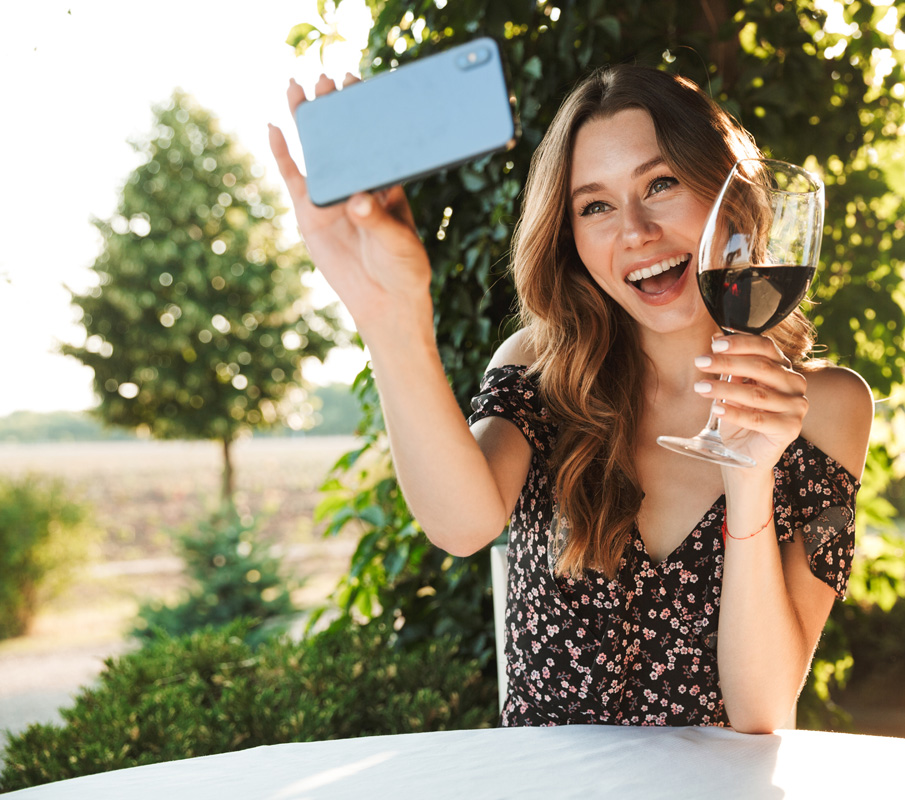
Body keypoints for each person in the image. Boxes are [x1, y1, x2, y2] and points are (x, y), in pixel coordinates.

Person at [269, 63, 873, 734]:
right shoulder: (538, 369)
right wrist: (389, 313)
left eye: (661, 184)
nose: (635, 230)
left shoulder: (827, 407)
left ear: (728, 195)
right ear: (571, 238)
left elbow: (761, 713)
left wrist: (751, 473)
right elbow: (461, 526)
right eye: (595, 206)